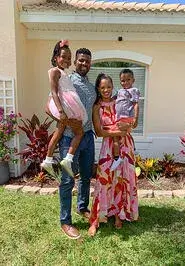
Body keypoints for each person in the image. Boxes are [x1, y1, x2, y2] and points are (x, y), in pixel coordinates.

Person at [88, 73, 139, 237]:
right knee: (103, 180)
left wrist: (131, 122)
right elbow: (99, 131)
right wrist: (118, 131)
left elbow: (131, 123)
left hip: (126, 145)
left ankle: (119, 214)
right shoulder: (97, 106)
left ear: (113, 86)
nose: (106, 90)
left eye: (109, 86)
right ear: (98, 88)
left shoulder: (120, 100)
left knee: (122, 179)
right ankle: (96, 218)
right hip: (108, 148)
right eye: (102, 87)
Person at [59, 48, 96, 239]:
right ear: (75, 61)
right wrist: (66, 121)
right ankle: (65, 221)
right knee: (67, 180)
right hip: (69, 138)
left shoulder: (91, 86)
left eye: (87, 61)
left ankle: (83, 207)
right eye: (81, 60)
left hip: (88, 137)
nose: (84, 64)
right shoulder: (66, 81)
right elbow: (50, 106)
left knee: (86, 176)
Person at [41, 40, 88, 177]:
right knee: (79, 132)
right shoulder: (54, 71)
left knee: (59, 132)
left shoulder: (62, 72)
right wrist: (61, 111)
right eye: (63, 57)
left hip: (66, 104)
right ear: (56, 57)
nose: (66, 60)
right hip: (65, 105)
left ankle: (48, 160)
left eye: (69, 58)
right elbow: (54, 92)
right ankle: (68, 159)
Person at [110, 68, 140, 171]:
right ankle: (130, 151)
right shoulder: (119, 91)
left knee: (116, 136)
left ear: (133, 80)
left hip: (127, 117)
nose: (125, 82)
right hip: (119, 118)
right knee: (121, 136)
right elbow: (113, 100)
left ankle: (117, 158)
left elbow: (136, 104)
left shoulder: (133, 90)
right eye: (123, 80)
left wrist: (136, 118)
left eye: (128, 80)